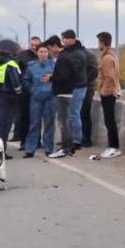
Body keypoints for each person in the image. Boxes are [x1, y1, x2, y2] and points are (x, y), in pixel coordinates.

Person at [50, 30, 86, 159]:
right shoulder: (74, 53)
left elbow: (66, 75)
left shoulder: (69, 55)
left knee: (68, 118)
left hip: (68, 90)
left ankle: (71, 144)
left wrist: (52, 78)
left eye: (64, 39)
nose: (63, 42)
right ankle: (70, 145)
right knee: (69, 118)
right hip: (72, 89)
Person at [22, 43, 57, 157]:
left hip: (50, 98)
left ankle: (48, 148)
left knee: (49, 123)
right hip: (36, 98)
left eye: (45, 52)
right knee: (34, 124)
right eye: (40, 52)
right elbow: (26, 80)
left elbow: (58, 78)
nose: (43, 54)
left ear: (48, 53)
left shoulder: (53, 65)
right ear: (37, 53)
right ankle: (30, 149)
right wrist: (31, 90)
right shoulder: (31, 66)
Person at [94, 31, 121, 159]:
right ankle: (112, 146)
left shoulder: (107, 58)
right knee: (109, 120)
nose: (98, 44)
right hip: (110, 91)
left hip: (109, 92)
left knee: (109, 121)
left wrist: (104, 91)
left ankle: (114, 147)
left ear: (103, 43)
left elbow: (109, 77)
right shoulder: (111, 56)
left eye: (98, 42)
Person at [11, 35, 42, 146]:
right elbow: (14, 70)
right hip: (25, 91)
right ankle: (24, 141)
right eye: (32, 45)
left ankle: (37, 141)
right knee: (25, 116)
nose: (34, 47)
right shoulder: (22, 56)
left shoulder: (42, 55)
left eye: (36, 45)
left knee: (37, 117)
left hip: (39, 90)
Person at [79, 36, 98, 151]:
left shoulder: (88, 55)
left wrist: (83, 82)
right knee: (76, 115)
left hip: (87, 88)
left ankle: (86, 138)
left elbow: (94, 71)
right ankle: (78, 137)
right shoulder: (76, 55)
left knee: (84, 113)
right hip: (76, 88)